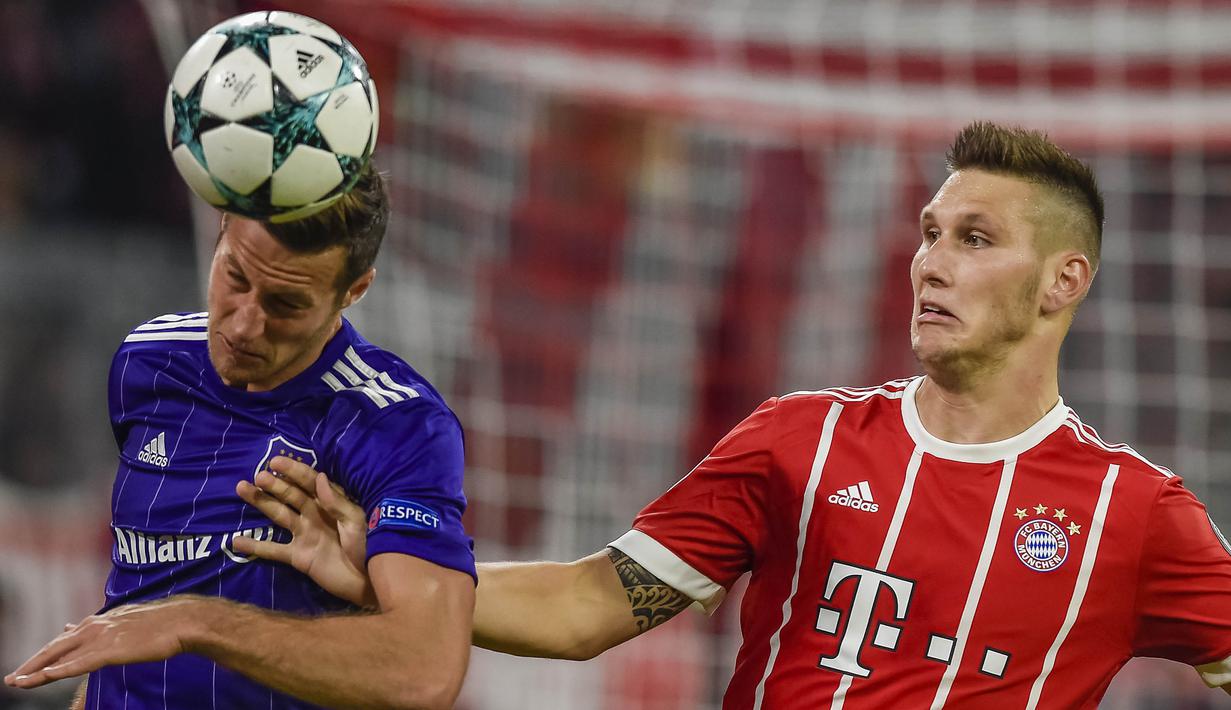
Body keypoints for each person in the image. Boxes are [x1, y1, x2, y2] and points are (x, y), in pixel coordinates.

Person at [12, 122, 1231, 707]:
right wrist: (398, 575)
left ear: (1062, 280)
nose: (932, 261)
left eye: (974, 238)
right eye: (928, 231)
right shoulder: (798, 439)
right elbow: (594, 602)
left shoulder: (1134, 514)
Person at [3, 163, 476, 710]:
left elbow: (424, 671)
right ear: (221, 229)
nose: (245, 325)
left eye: (285, 304)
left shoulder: (394, 424)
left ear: (354, 290)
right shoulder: (147, 361)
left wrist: (195, 621)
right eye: (235, 277)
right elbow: (135, 600)